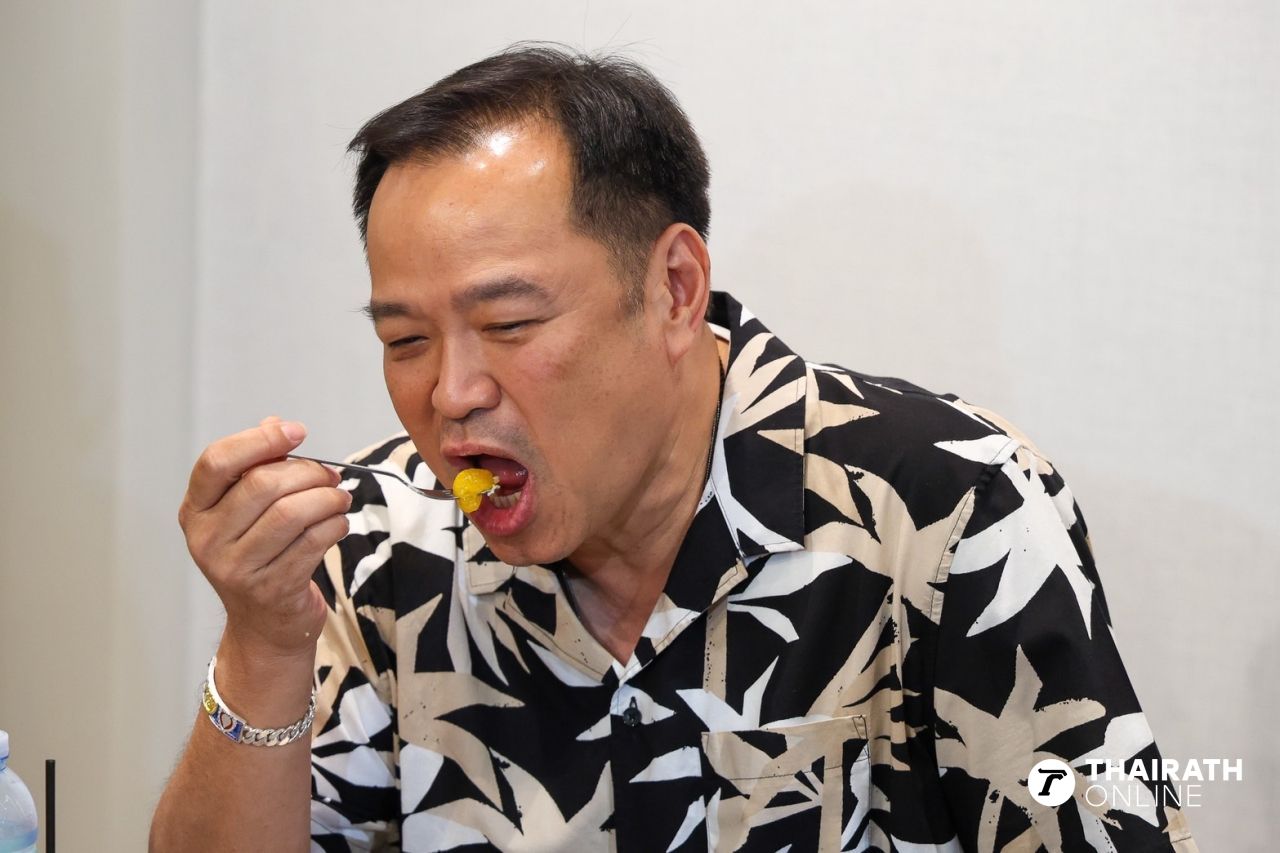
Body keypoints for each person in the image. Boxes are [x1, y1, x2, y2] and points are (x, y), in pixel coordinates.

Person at [150, 45, 1198, 852]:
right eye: (404, 341)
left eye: (509, 324)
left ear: (674, 289)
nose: (452, 393)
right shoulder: (383, 542)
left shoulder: (949, 506)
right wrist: (262, 647)